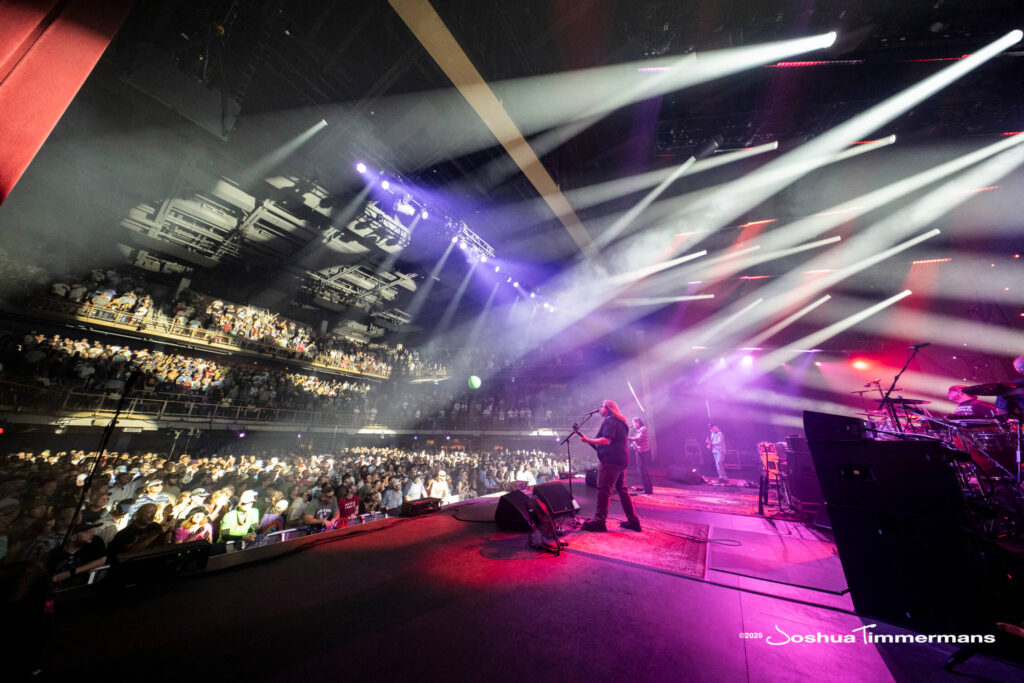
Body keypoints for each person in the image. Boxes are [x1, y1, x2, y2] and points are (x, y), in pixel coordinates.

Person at [575, 399, 641, 532]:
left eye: (602, 406)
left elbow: (606, 440)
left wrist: (588, 439)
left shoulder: (610, 420)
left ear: (608, 408)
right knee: (622, 490)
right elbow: (609, 443)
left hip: (611, 461)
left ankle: (600, 521)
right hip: (621, 460)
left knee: (603, 490)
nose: (600, 409)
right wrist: (588, 440)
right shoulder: (621, 421)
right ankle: (633, 521)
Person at [627, 417, 654, 495]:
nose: (633, 425)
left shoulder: (643, 429)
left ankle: (647, 490)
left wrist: (628, 438)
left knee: (642, 471)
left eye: (634, 423)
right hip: (640, 452)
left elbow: (638, 439)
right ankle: (648, 488)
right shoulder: (639, 430)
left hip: (642, 453)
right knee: (642, 471)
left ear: (637, 422)